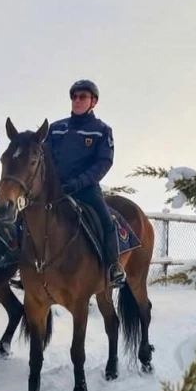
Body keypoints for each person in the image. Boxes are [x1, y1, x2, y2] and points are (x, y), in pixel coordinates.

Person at [44, 79, 125, 285]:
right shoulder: (55, 128)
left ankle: (113, 266)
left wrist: (79, 183)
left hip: (86, 190)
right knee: (27, 218)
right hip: (56, 190)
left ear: (93, 102)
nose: (77, 100)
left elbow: (104, 162)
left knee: (106, 222)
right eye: (74, 96)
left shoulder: (102, 130)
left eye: (82, 97)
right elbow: (44, 158)